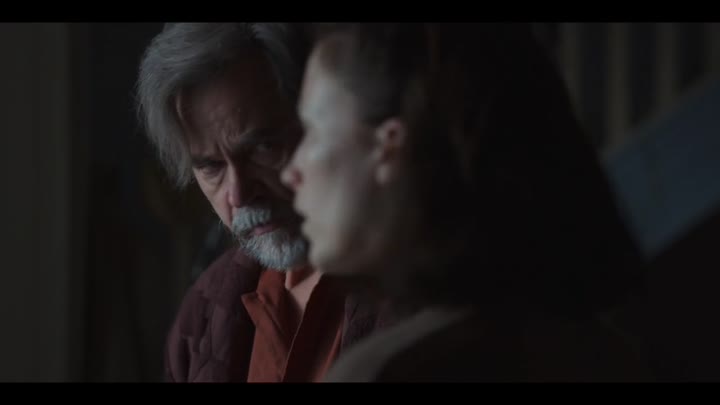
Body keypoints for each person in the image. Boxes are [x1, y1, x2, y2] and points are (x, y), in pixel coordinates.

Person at [281, 23, 653, 382]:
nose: (290, 172)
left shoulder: (387, 371)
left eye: (312, 131)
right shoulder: (606, 354)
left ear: (388, 144)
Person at [136, 22, 391, 383]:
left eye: (263, 148)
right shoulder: (203, 312)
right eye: (211, 167)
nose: (239, 194)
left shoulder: (413, 293)